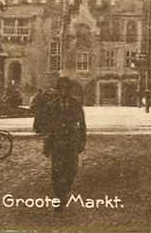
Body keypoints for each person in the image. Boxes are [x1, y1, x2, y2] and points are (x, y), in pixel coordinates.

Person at [43, 77, 87, 206]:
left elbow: (82, 125)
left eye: (66, 88)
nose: (63, 91)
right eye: (61, 88)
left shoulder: (75, 104)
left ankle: (66, 189)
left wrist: (82, 141)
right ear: (58, 90)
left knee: (72, 170)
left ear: (69, 90)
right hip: (58, 142)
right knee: (56, 170)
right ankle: (59, 196)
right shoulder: (52, 106)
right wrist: (47, 145)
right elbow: (48, 126)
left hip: (72, 141)